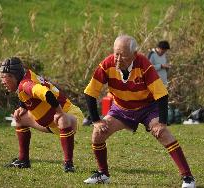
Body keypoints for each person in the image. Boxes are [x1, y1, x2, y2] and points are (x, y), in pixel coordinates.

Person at [83, 35, 195, 188]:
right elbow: (90, 92)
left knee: (163, 133)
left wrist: (162, 123)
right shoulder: (106, 64)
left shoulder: (144, 64)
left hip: (147, 107)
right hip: (121, 109)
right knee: (98, 134)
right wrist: (96, 121)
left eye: (123, 55)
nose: (117, 59)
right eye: (116, 53)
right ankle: (103, 174)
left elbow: (161, 94)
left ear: (134, 55)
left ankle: (188, 178)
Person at [0, 57, 84, 172]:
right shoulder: (24, 78)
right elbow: (26, 95)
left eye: (4, 77)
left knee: (62, 119)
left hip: (71, 115)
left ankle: (68, 164)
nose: (2, 81)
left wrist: (59, 112)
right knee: (19, 119)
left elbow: (46, 93)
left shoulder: (25, 84)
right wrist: (22, 107)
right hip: (50, 124)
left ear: (14, 76)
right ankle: (23, 160)